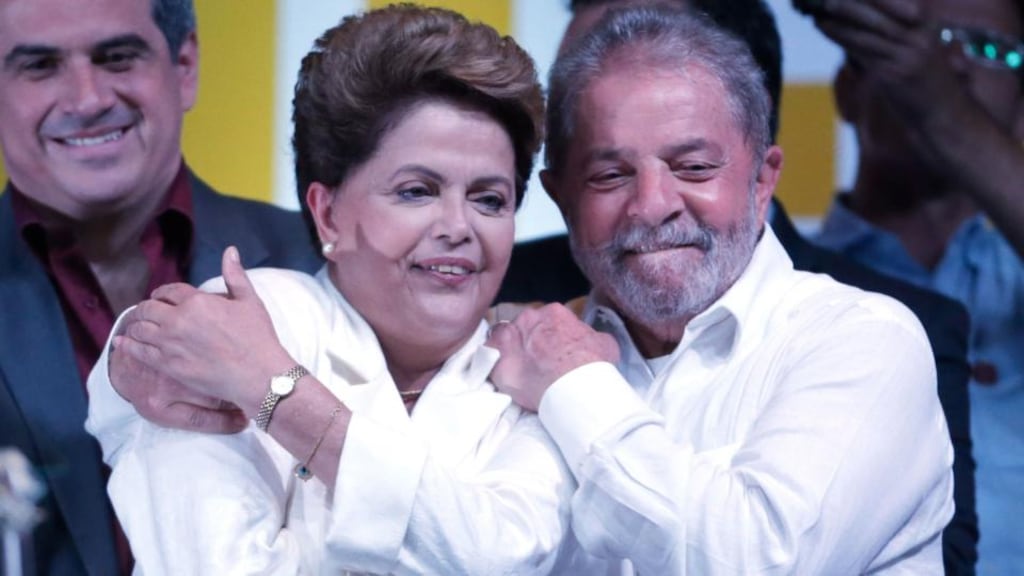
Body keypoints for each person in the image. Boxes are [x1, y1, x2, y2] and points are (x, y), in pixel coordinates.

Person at [84, 5, 583, 574]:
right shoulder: (246, 320)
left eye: (489, 199)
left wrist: (275, 392)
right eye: (416, 191)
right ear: (327, 215)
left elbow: (503, 554)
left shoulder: (537, 378)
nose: (459, 226)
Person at [498, 1, 978, 571]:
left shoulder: (867, 338)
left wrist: (573, 384)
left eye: (694, 167)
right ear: (562, 199)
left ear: (762, 182)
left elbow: (756, 559)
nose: (652, 206)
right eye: (610, 175)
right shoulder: (516, 349)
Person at [0, 0, 318, 573]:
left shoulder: (320, 261)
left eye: (117, 57)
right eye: (40, 66)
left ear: (186, 64)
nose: (87, 99)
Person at [804, 0, 1024, 571]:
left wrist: (943, 110)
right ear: (846, 92)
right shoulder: (788, 283)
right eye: (920, 39)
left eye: (991, 49)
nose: (948, 64)